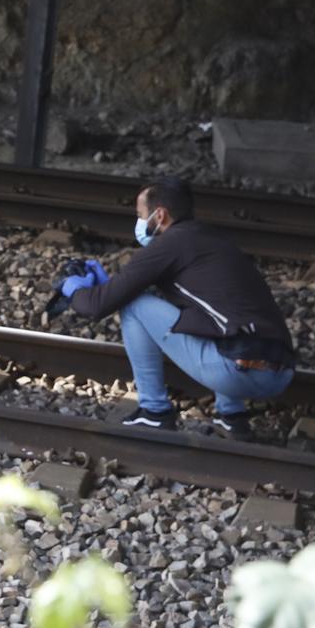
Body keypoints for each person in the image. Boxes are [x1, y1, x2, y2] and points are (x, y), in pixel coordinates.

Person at [59, 175, 295, 438]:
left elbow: (96, 306)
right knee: (217, 318)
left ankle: (154, 412)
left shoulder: (168, 245)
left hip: (237, 373)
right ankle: (233, 417)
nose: (138, 222)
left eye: (140, 214)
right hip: (281, 373)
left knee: (135, 306)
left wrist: (73, 288)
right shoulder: (212, 239)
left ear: (159, 215)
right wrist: (109, 286)